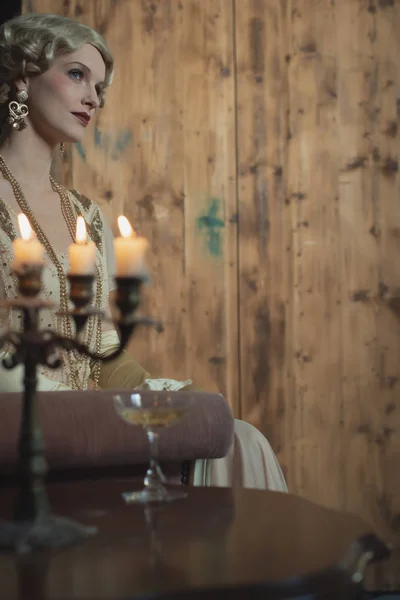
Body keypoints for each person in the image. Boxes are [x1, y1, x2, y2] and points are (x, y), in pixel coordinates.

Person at [0, 13, 287, 492]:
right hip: (17, 416)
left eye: (100, 86)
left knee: (240, 438)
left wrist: (160, 396)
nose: (93, 97)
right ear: (23, 78)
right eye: (76, 74)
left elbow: (103, 350)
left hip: (92, 418)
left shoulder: (87, 216)